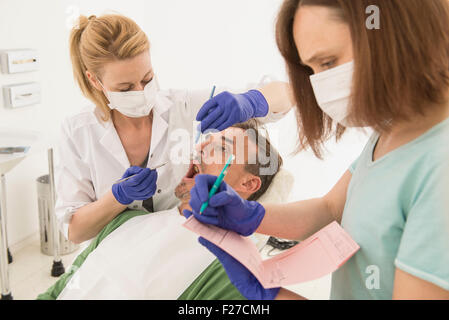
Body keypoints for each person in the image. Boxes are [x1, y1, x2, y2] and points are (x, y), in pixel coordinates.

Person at [187, 0, 449, 300]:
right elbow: (331, 210)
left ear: (389, 32)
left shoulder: (440, 166)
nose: (320, 85)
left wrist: (274, 296)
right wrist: (250, 215)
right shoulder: (394, 130)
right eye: (312, 70)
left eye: (328, 63)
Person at [58, 13, 295, 244]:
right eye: (125, 88)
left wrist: (253, 101)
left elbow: (288, 93)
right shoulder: (78, 131)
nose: (141, 91)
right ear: (94, 80)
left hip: (175, 249)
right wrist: (117, 198)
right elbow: (74, 231)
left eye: (147, 78)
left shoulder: (185, 106)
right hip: (111, 259)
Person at [39, 122, 285, 299]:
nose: (199, 149)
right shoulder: (125, 220)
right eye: (204, 141)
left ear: (248, 184)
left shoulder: (228, 273)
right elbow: (58, 290)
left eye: (221, 149)